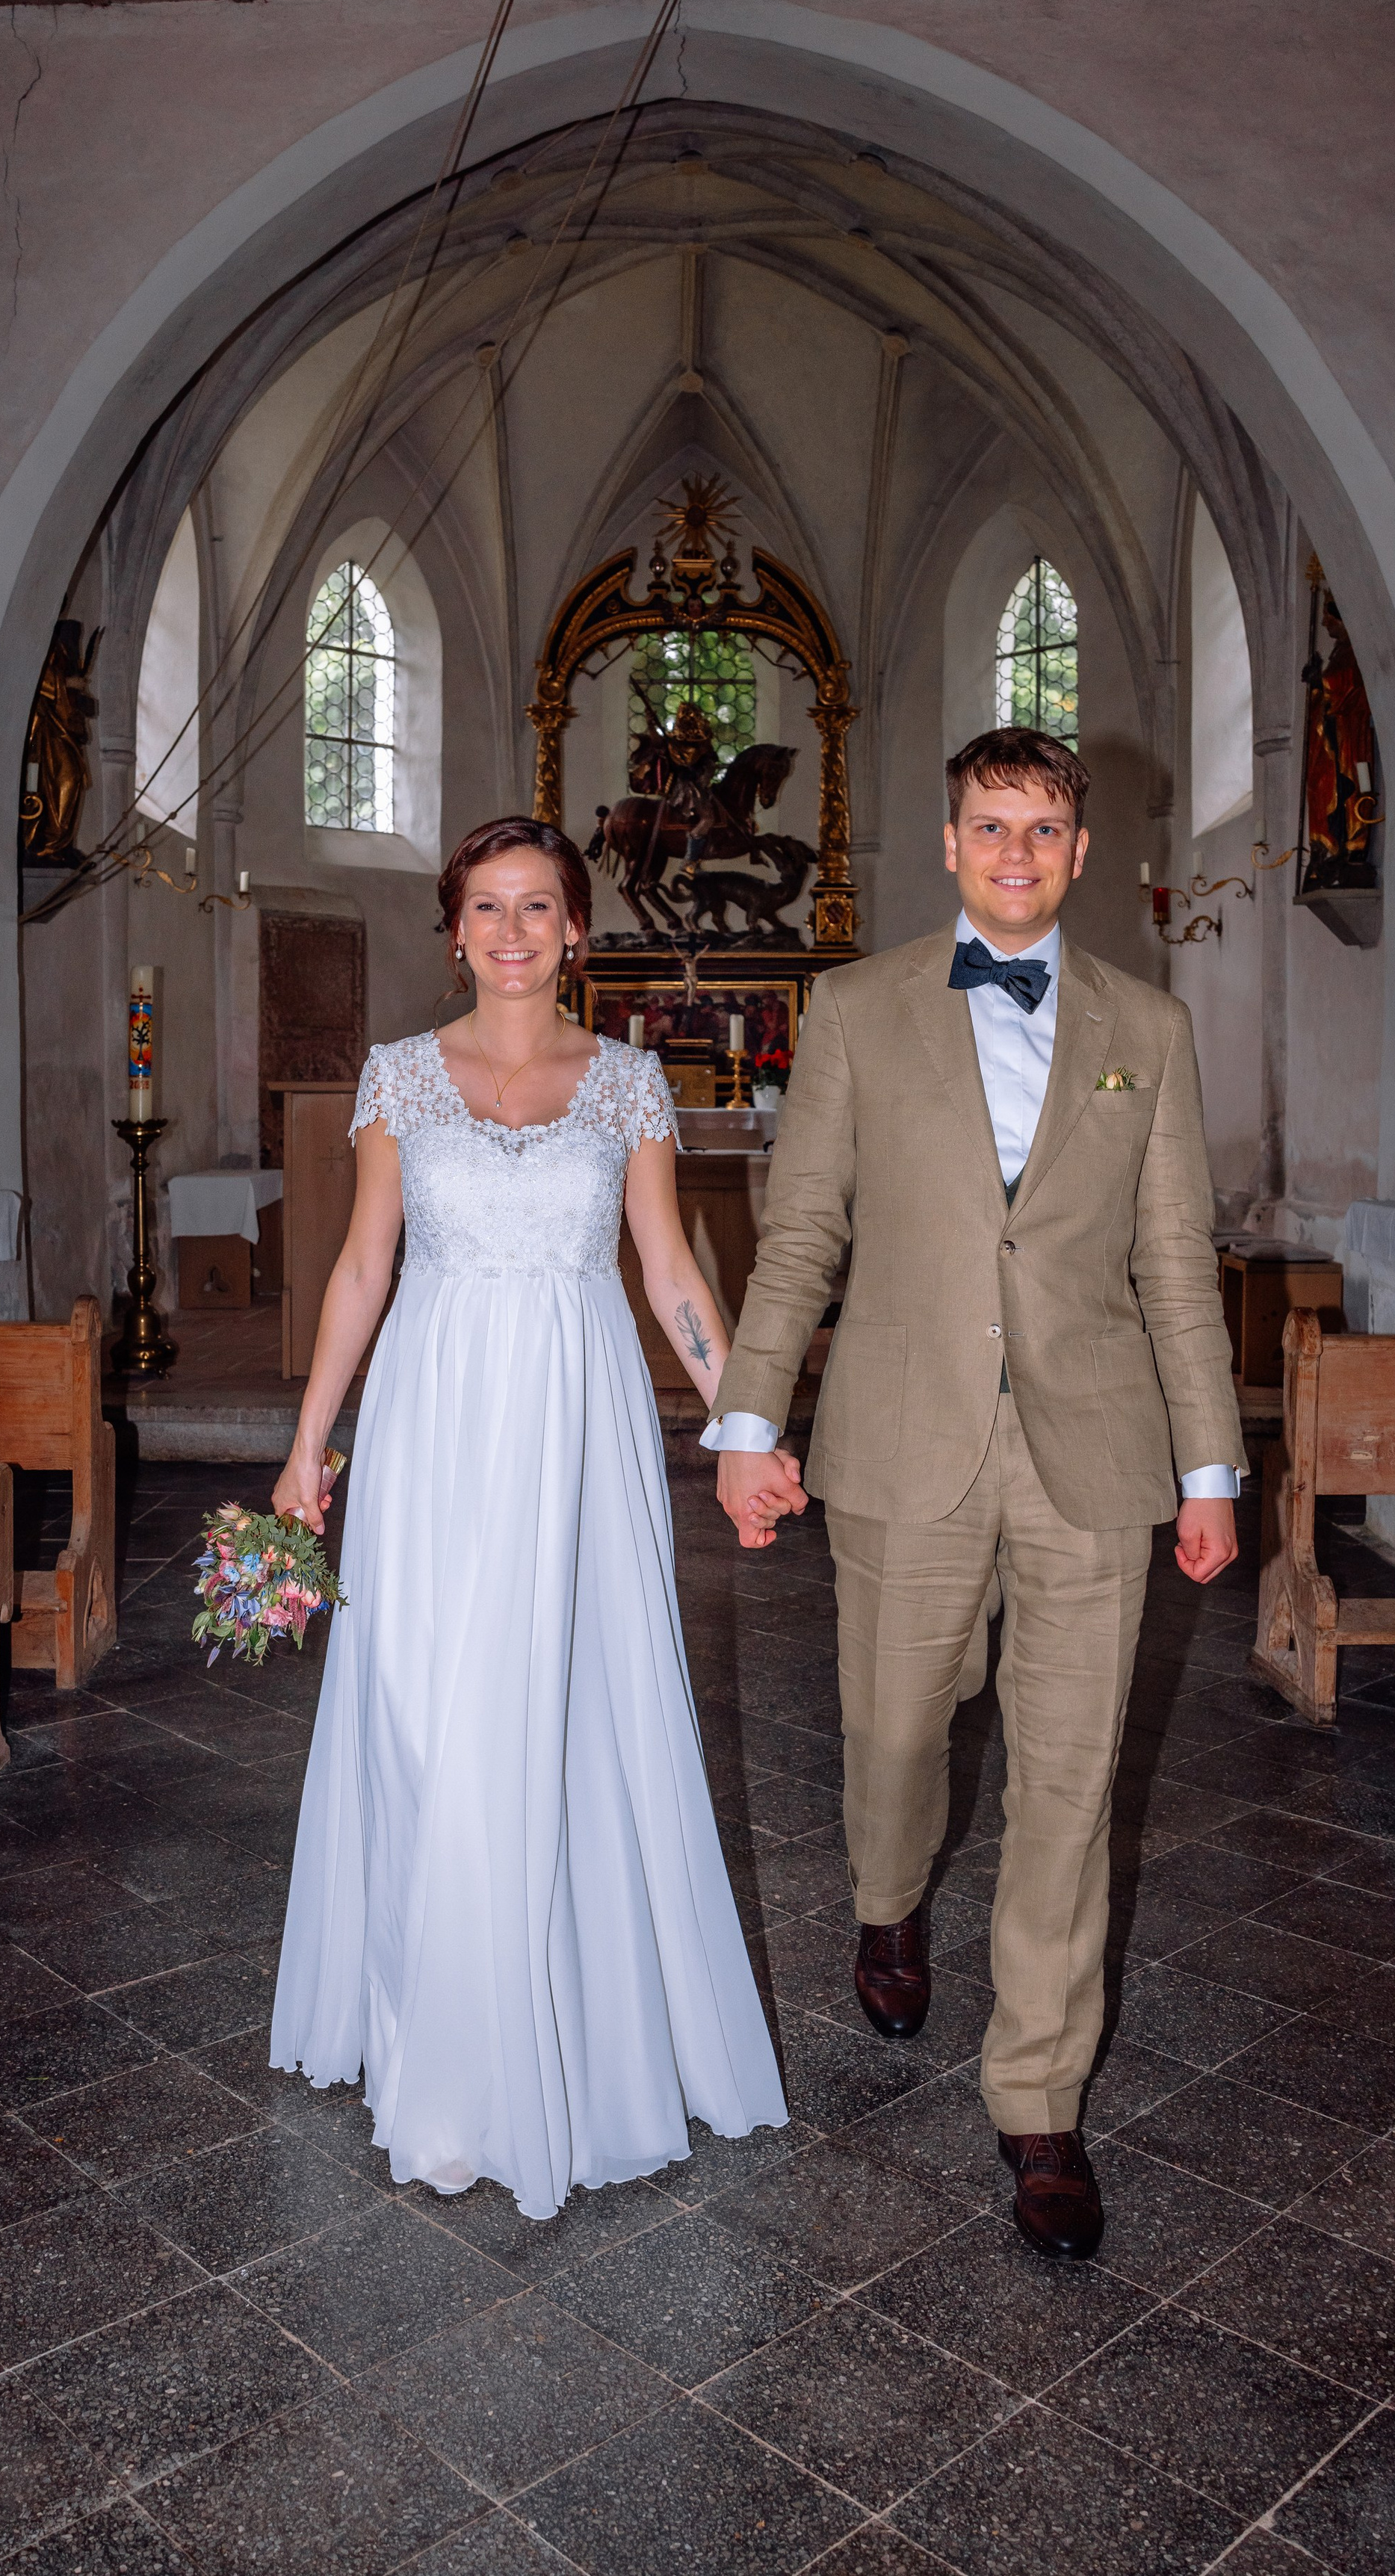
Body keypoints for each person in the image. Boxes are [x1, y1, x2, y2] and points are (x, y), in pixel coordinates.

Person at [710, 726, 1242, 2262]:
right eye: (986, 825)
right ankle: (886, 1896)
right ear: (945, 843)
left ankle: (1037, 2102)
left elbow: (1171, 1263)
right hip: (899, 1437)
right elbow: (801, 1228)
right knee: (891, 1732)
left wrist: (1206, 1466)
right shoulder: (856, 1008)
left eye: (1041, 829)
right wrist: (751, 1415)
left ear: (1079, 854)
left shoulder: (1148, 1022)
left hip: (1095, 1455)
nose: (1013, 851)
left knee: (1066, 1791)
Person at [268, 815, 786, 2219]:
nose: (511, 931)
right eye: (487, 907)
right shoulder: (396, 1078)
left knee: (559, 1711)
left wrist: (743, 1423)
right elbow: (365, 1265)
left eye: (538, 907)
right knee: (425, 1712)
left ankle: (552, 2034)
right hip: (432, 1425)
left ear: (574, 930)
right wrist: (312, 1440)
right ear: (454, 928)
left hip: (573, 1424)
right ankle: (438, 2033)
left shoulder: (627, 1085)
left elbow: (673, 1269)